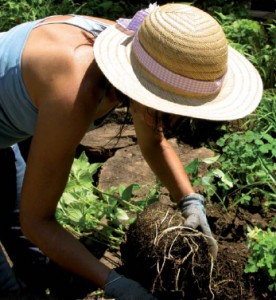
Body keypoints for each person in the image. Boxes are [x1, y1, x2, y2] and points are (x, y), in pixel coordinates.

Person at [0, 2, 263, 299]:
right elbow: (38, 221)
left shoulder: (141, 51)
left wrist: (190, 201)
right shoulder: (74, 91)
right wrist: (114, 284)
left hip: (7, 130)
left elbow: (153, 141)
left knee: (28, 246)